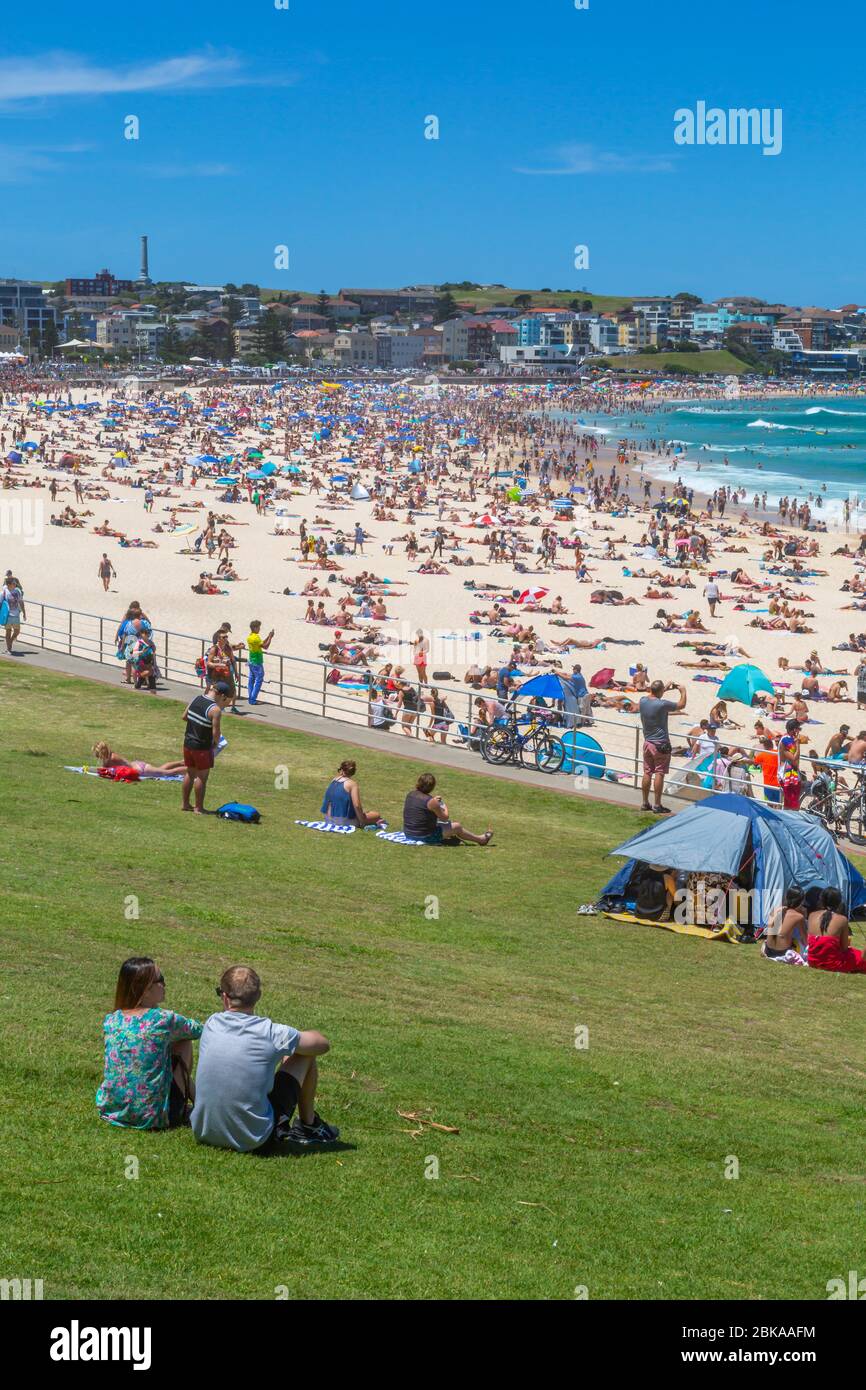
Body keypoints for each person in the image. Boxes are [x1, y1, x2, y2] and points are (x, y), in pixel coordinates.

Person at [191, 965, 340, 1150]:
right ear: (258, 996)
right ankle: (308, 1125)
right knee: (303, 1055)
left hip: (204, 1131)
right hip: (255, 1140)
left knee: (291, 1051)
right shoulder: (271, 1033)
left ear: (224, 997)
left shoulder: (212, 1023)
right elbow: (322, 1044)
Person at [95, 957, 203, 1129]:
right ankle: (196, 1107)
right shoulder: (164, 1019)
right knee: (184, 1042)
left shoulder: (111, 1020)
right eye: (160, 980)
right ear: (144, 989)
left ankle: (197, 1104)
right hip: (151, 1117)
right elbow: (197, 1030)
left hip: (111, 1111)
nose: (164, 985)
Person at [402, 772, 493, 845]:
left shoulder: (411, 794)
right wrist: (444, 805)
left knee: (440, 824)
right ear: (432, 786)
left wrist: (434, 801)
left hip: (408, 833)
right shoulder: (431, 802)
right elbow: (445, 818)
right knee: (457, 826)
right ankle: (481, 840)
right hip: (424, 836)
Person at [181, 681, 230, 813]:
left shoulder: (196, 698)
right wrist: (215, 744)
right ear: (222, 695)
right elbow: (216, 733)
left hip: (188, 742)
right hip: (202, 745)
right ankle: (198, 808)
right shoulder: (215, 710)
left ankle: (185, 804)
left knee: (190, 773)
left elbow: (184, 716)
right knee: (202, 777)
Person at [639, 680, 687, 814]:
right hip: (661, 744)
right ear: (660, 692)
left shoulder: (642, 701)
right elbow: (681, 705)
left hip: (647, 743)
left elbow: (653, 695)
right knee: (659, 773)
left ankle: (645, 802)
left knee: (647, 772)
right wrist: (682, 690)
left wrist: (664, 688)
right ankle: (657, 804)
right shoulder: (662, 704)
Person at [807, 887, 866, 973]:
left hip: (812, 961)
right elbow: (844, 948)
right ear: (839, 902)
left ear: (821, 900)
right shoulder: (842, 919)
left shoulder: (811, 915)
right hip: (833, 964)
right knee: (859, 957)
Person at [320, 758, 383, 826]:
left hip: (328, 818)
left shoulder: (334, 780)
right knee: (376, 815)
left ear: (341, 769)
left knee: (366, 813)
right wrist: (362, 821)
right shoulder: (352, 784)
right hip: (342, 821)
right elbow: (357, 805)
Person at [761, 886, 808, 964]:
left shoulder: (775, 910)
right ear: (801, 901)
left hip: (768, 950)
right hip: (782, 953)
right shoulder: (799, 916)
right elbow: (806, 940)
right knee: (800, 943)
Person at [92, 741, 186, 776]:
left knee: (167, 773)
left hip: (141, 769)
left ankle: (191, 770)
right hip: (138, 766)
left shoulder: (113, 758)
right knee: (162, 769)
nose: (97, 757)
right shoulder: (108, 757)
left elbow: (124, 767)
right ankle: (181, 762)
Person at [246, 619, 273, 706]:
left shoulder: (250, 636)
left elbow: (261, 644)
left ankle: (250, 698)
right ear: (255, 628)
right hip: (257, 662)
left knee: (251, 680)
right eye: (258, 627)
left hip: (251, 660)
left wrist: (268, 636)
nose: (259, 629)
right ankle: (253, 699)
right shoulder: (256, 637)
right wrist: (270, 637)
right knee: (259, 680)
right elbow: (265, 646)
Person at [778, 718, 802, 810]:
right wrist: (798, 744)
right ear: (795, 729)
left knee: (788, 804)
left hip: (791, 774)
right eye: (798, 729)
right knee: (793, 805)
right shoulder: (786, 741)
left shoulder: (789, 738)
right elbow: (794, 758)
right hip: (787, 776)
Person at [1, 575, 25, 654]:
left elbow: (21, 602)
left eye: (15, 583)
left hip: (16, 615)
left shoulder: (17, 591)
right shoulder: (4, 592)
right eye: (13, 583)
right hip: (7, 615)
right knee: (8, 631)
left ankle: (10, 641)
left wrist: (24, 613)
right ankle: (9, 649)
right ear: (8, 585)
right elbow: (1, 603)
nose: (15, 584)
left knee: (17, 631)